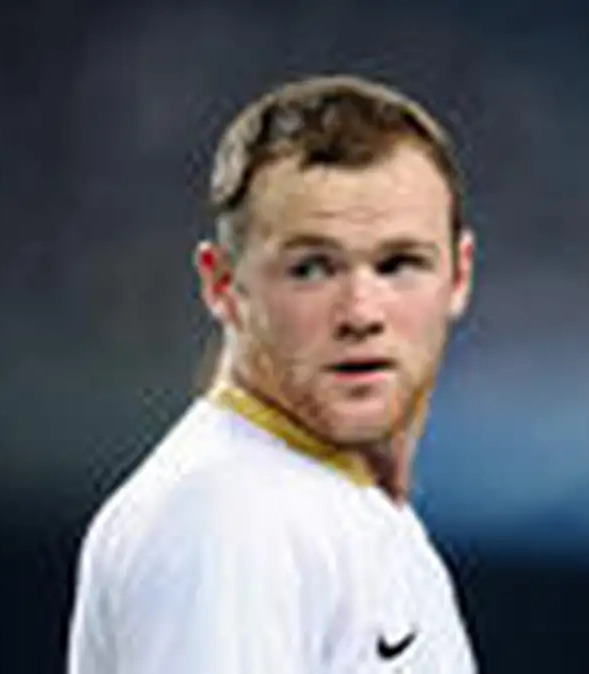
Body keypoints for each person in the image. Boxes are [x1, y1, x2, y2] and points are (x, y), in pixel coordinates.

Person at [66, 74, 478, 673]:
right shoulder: (228, 521)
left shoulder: (332, 502)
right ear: (222, 284)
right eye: (312, 268)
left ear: (459, 276)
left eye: (399, 264)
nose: (361, 313)